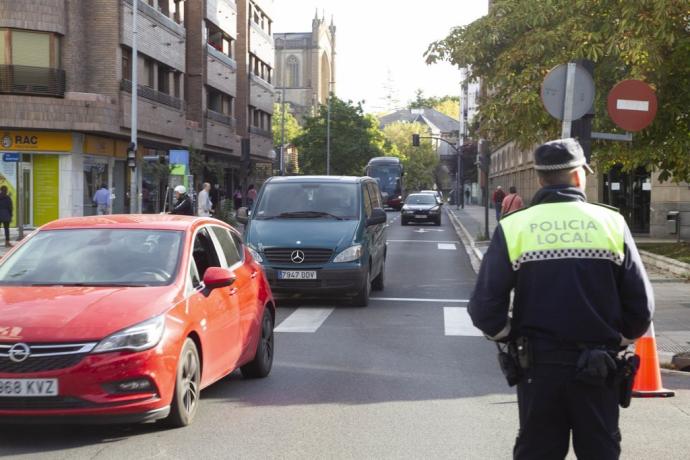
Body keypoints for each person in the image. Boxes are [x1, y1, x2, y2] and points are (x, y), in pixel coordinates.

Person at [468, 138, 653, 459]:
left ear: (540, 179)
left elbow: (484, 307)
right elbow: (641, 307)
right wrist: (618, 341)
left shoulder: (515, 227)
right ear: (580, 175)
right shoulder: (611, 223)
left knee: (537, 450)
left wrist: (510, 335)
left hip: (538, 368)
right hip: (600, 366)